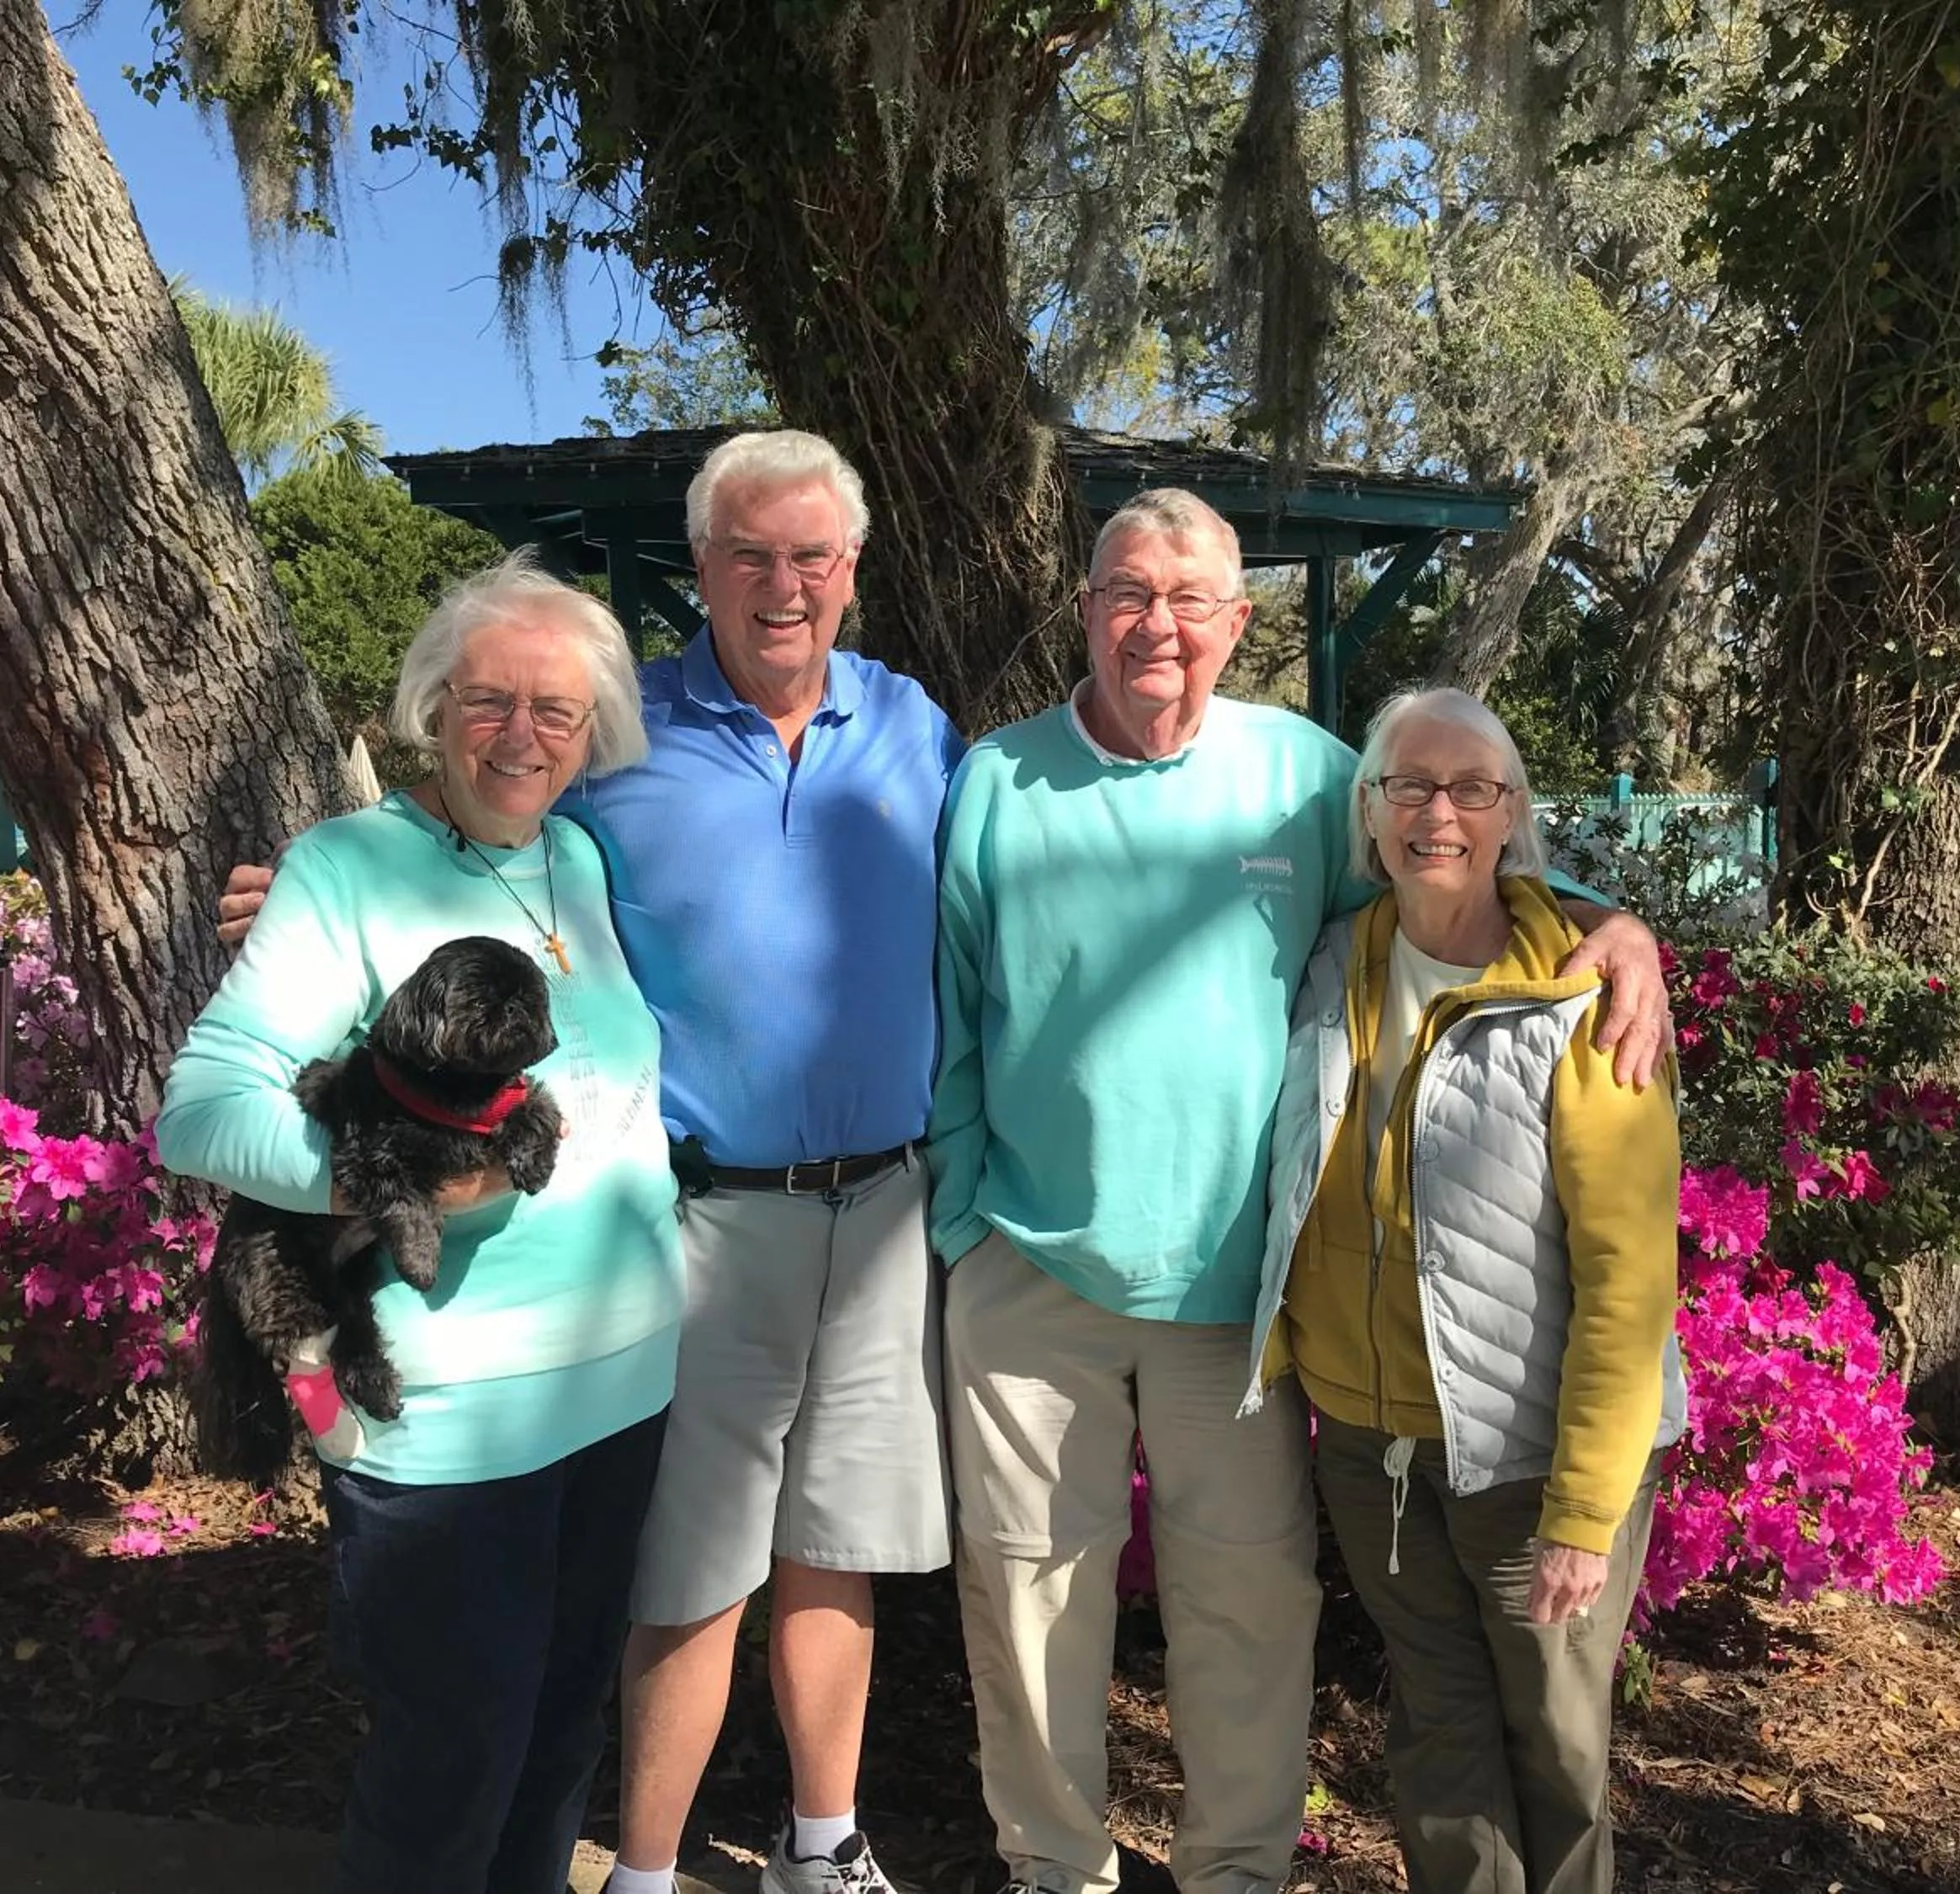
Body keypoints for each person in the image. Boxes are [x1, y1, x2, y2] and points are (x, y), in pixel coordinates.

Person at [220, 429, 959, 1894]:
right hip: (704, 1220)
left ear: (853, 570)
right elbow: (480, 814)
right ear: (702, 568)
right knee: (687, 1574)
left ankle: (825, 1842)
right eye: (748, 552)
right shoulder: (630, 737)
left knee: (835, 1548)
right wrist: (337, 855)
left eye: (813, 553)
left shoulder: (918, 727)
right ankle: (645, 1868)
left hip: (881, 1207)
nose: (782, 581)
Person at [927, 488, 1671, 1894]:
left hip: (1238, 1294)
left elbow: (1447, 859)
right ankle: (1053, 1863)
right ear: (1085, 608)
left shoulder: (1303, 772)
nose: (1157, 623)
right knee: (1026, 1586)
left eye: (1189, 598)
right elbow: (955, 1013)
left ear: (1238, 622)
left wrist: (1603, 918)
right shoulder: (996, 781)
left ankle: (1239, 1871)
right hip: (1029, 1264)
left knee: (1248, 1599)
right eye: (1127, 593)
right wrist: (967, 1217)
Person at [158, 552, 684, 1894]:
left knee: (559, 1746)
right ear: (433, 711)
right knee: (449, 1774)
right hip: (450, 1427)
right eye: (489, 701)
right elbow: (201, 1112)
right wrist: (393, 1183)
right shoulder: (346, 871)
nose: (522, 735)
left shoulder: (577, 858)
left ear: (592, 734)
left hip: (620, 1396)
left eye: (556, 711)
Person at [1255, 685, 1684, 1894]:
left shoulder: (1590, 1000)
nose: (1438, 810)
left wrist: (1586, 1507)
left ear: (1511, 815)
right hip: (1373, 1444)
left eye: (1472, 788)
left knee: (1552, 1743)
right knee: (1437, 1734)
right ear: (1372, 808)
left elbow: (1629, 1274)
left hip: (1531, 1451)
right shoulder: (1336, 956)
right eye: (1411, 784)